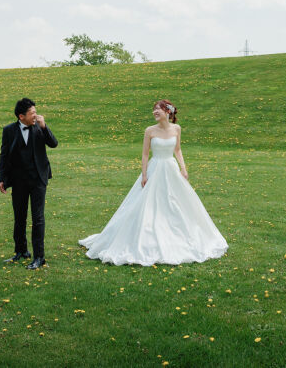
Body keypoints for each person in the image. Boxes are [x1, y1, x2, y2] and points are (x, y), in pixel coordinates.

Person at [79, 100, 227, 266]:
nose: (154, 112)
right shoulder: (150, 131)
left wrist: (183, 168)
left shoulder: (176, 129)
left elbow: (177, 150)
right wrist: (144, 175)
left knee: (176, 203)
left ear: (167, 112)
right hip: (154, 168)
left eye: (158, 109)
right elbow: (144, 154)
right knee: (147, 204)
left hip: (170, 169)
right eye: (154, 110)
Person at [0, 98, 58, 269]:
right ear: (21, 116)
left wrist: (45, 126)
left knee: (38, 218)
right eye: (32, 113)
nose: (35, 115)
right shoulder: (9, 130)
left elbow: (53, 144)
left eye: (35, 112)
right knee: (19, 217)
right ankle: (21, 251)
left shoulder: (40, 126)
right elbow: (4, 156)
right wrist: (2, 178)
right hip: (18, 181)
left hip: (38, 178)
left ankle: (40, 257)